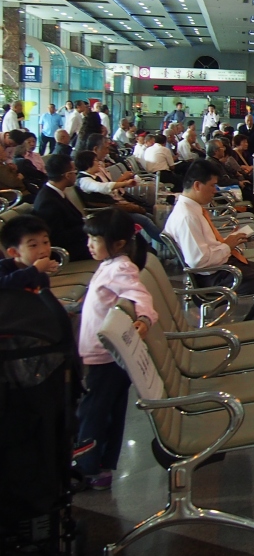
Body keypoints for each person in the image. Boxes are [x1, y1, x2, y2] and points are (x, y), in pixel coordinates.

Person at [72, 207, 160, 490]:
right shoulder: (111, 263)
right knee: (108, 410)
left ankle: (87, 468)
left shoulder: (120, 267)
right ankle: (102, 466)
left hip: (104, 357)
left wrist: (144, 319)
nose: (89, 244)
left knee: (94, 412)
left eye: (95, 239)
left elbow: (141, 296)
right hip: (104, 355)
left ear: (118, 243)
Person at [164, 161, 254, 330]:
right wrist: (227, 245)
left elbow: (203, 248)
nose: (215, 190)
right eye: (212, 185)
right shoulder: (187, 217)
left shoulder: (192, 210)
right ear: (197, 185)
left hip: (220, 266)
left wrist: (228, 241)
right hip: (215, 276)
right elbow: (198, 261)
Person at [33, 153, 91, 261]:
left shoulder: (56, 192)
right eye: (74, 171)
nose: (76, 174)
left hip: (78, 241)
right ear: (67, 175)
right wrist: (87, 227)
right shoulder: (48, 202)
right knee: (113, 242)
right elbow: (57, 237)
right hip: (69, 250)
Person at [0, 214, 58, 290]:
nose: (43, 250)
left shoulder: (41, 275)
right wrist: (35, 269)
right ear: (14, 252)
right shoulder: (3, 267)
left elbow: (43, 296)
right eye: (33, 245)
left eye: (45, 242)